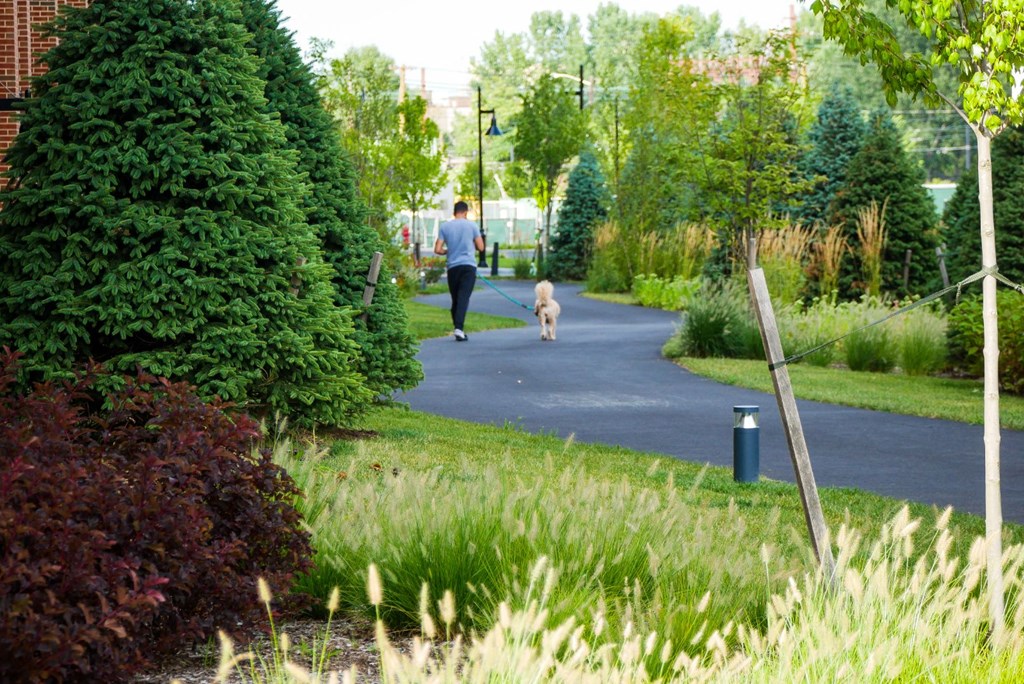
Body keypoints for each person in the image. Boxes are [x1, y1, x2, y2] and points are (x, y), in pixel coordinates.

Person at [434, 200, 484, 342]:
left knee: (456, 298)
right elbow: (481, 247)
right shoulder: (472, 225)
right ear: (466, 212)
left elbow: (437, 249)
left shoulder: (445, 226)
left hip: (453, 267)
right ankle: (459, 328)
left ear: (454, 212)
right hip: (468, 266)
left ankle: (458, 327)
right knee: (463, 297)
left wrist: (448, 251)